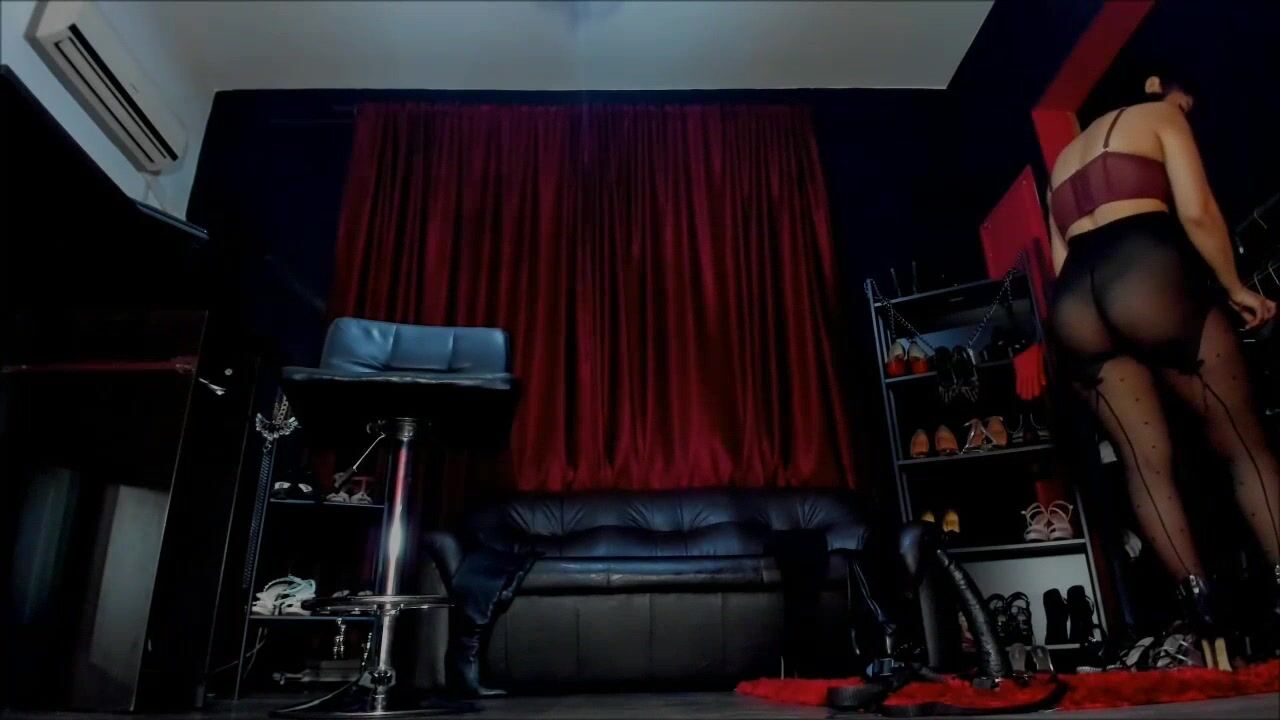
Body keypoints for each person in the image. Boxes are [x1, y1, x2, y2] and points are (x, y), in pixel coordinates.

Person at [1047, 71, 1279, 667]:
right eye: (1186, 98)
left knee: (1145, 465)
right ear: (1156, 86)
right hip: (1142, 270)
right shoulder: (1161, 116)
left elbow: (1059, 256)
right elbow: (1197, 212)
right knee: (1244, 447)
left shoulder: (1063, 162)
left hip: (1075, 299)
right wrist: (1235, 287)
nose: (1188, 109)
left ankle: (1203, 619)